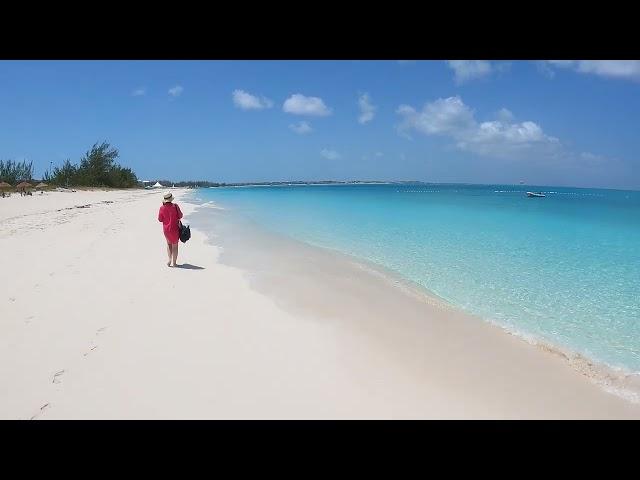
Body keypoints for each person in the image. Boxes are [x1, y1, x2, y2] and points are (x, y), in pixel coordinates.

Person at [157, 192, 183, 267]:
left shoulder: (162, 208)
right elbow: (180, 216)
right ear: (171, 199)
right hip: (175, 229)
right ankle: (174, 263)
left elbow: (160, 219)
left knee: (169, 244)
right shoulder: (175, 206)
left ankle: (169, 260)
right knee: (175, 246)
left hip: (166, 230)